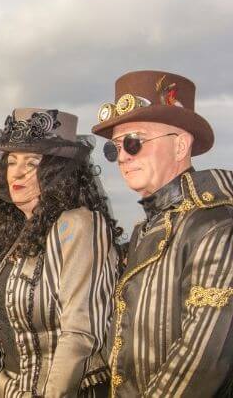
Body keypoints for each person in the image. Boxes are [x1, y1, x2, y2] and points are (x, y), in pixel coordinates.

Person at [92, 70, 233, 396]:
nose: (123, 156)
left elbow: (201, 362)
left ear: (181, 144)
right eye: (114, 149)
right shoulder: (147, 230)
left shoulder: (215, 226)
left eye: (134, 141)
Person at [0, 108, 122, 397]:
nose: (17, 172)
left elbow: (81, 334)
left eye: (33, 163)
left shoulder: (79, 224)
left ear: (56, 172)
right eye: (11, 162)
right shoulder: (19, 231)